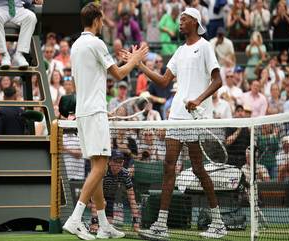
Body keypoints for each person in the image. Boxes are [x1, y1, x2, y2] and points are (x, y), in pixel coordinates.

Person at [137, 8, 227, 239]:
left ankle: (218, 223)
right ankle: (161, 225)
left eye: (184, 19)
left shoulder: (205, 47)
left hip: (194, 117)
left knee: (198, 169)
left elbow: (218, 80)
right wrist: (140, 66)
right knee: (169, 167)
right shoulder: (178, 50)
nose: (180, 22)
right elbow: (165, 81)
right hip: (177, 114)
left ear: (195, 22)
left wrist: (198, 100)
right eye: (180, 19)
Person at [62, 3, 148, 240]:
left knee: (97, 168)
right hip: (94, 112)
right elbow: (119, 74)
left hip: (85, 112)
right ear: (98, 19)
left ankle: (103, 225)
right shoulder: (96, 43)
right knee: (101, 166)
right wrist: (137, 59)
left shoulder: (76, 45)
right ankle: (75, 218)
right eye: (103, 19)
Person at [90, 149, 140, 232]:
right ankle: (93, 223)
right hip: (93, 194)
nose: (117, 165)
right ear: (109, 162)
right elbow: (94, 195)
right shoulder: (102, 171)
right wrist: (94, 222)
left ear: (123, 163)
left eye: (120, 162)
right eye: (115, 161)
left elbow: (132, 199)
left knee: (108, 224)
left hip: (110, 196)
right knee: (102, 204)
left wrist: (136, 222)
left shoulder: (125, 174)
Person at [0, 0, 43, 69]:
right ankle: (4, 55)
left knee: (31, 17)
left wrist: (33, 0)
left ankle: (19, 54)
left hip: (17, 8)